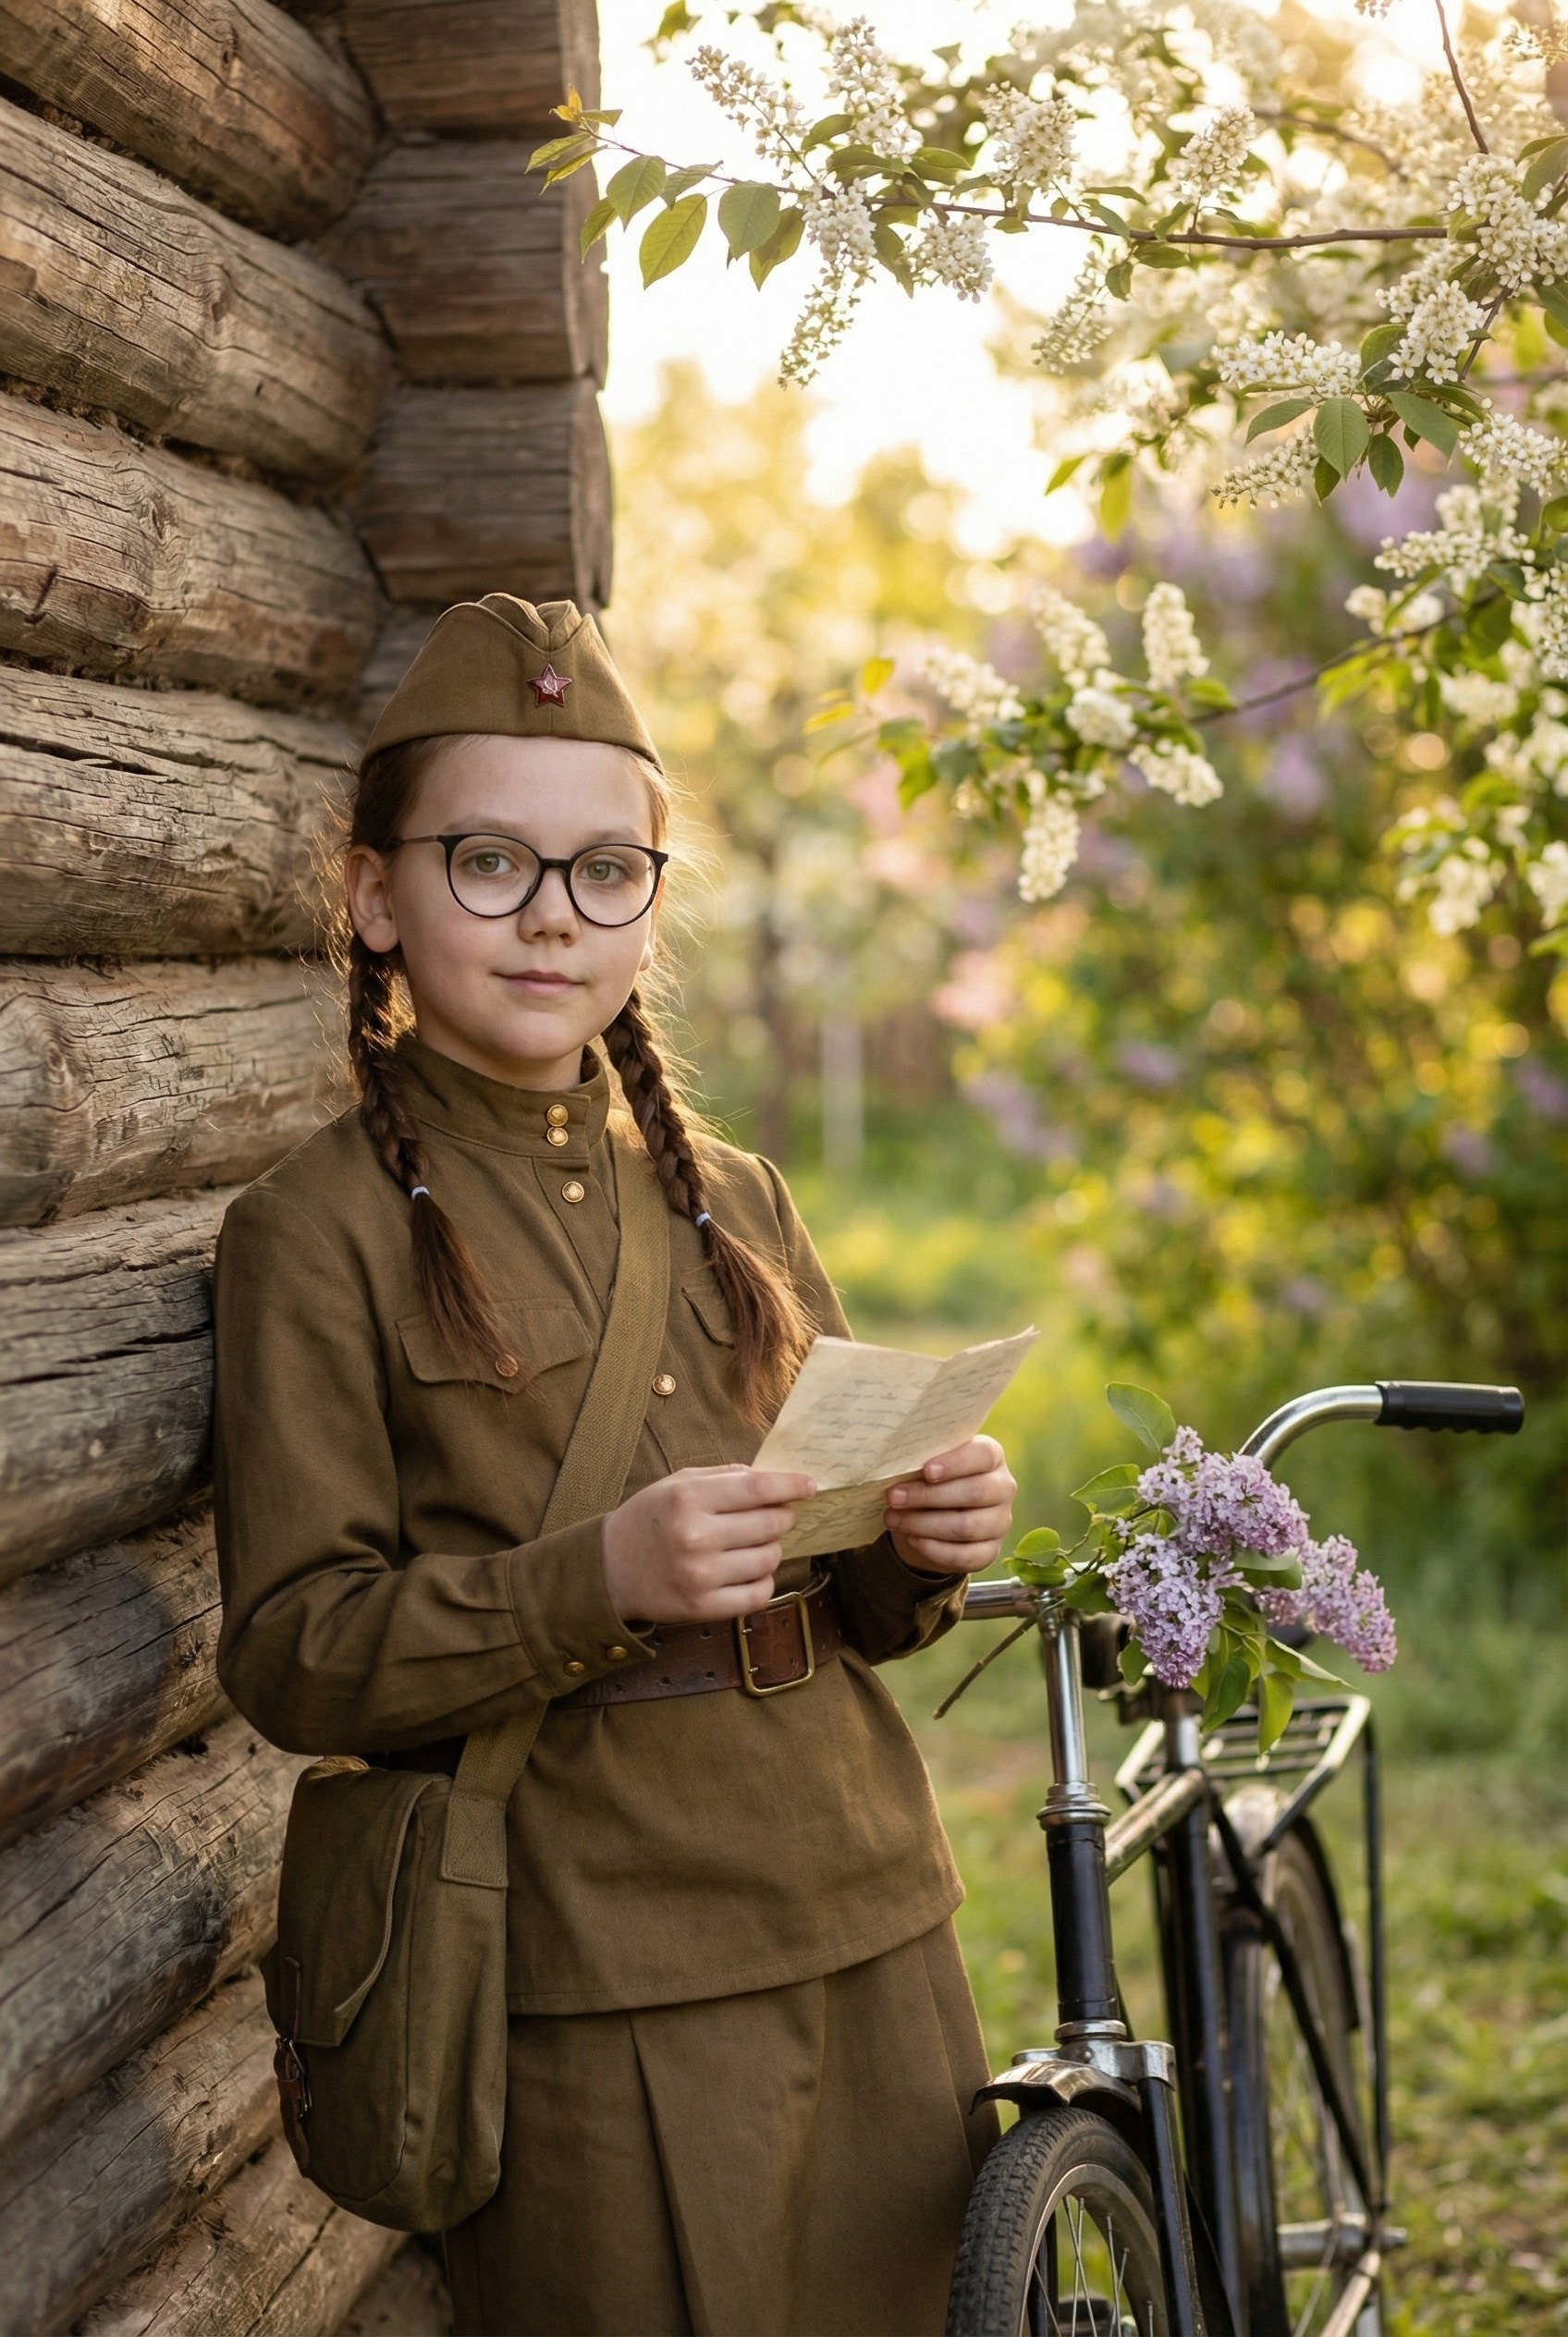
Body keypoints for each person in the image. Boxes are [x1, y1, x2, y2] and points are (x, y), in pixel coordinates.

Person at [213, 594, 1017, 2337]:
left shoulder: (735, 1201)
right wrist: (603, 1581)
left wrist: (922, 1538)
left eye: (605, 871)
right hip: (593, 1966)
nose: (552, 916)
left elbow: (859, 1597)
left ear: (651, 899)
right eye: (488, 861)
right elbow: (294, 1648)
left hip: (867, 1900)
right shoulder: (315, 1236)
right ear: (374, 897)